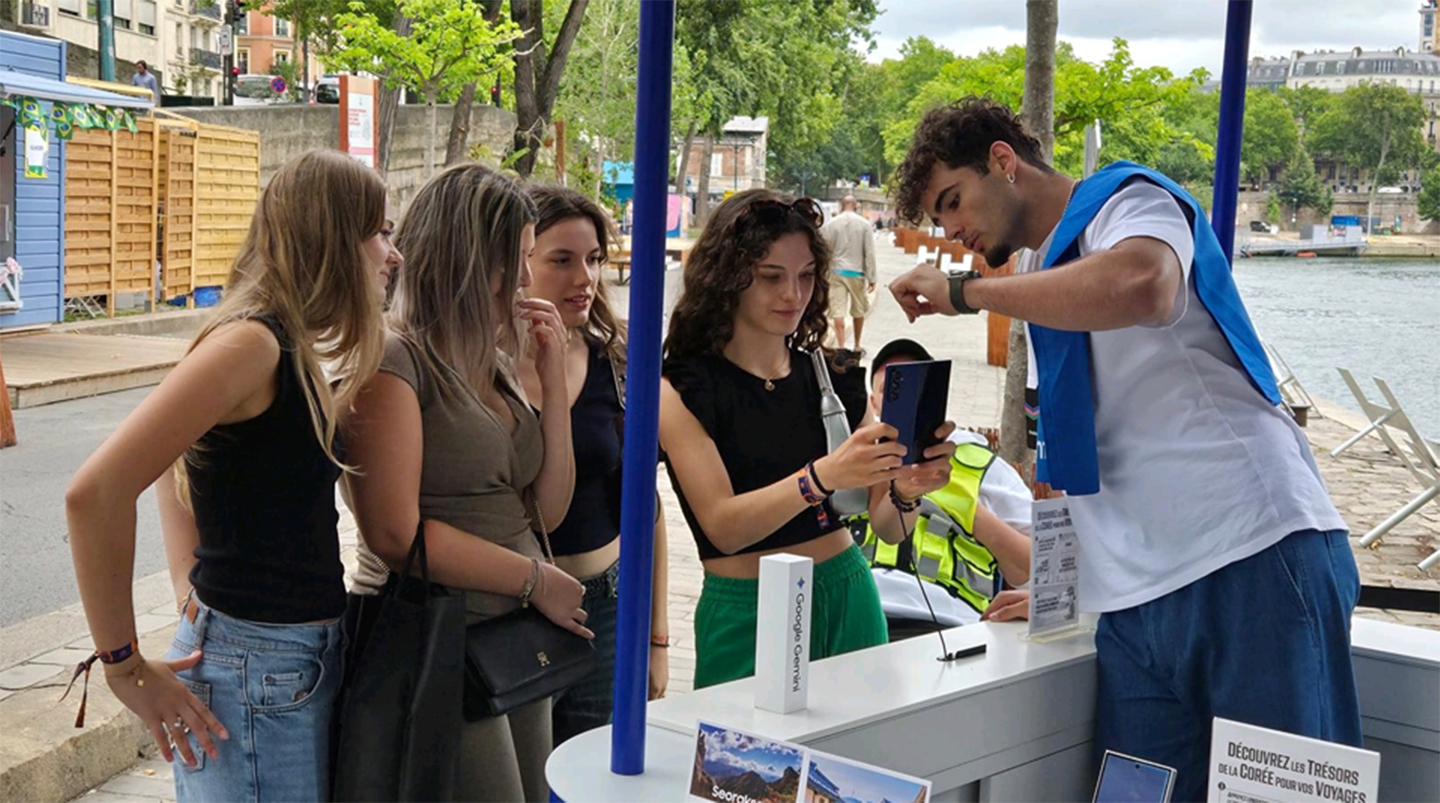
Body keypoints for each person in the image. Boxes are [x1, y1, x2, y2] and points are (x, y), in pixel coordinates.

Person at [889, 97, 1358, 800]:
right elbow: (1082, 445)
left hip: (1249, 553)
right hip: (1131, 598)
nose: (951, 230)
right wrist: (1060, 588)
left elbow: (1145, 284)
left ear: (1002, 161)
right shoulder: (1041, 278)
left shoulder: (1127, 199)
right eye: (938, 219)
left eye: (952, 201)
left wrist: (968, 293)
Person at [65, 150, 400, 802]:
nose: (394, 254)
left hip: (281, 660)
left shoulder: (286, 342)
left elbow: (175, 457)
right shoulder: (254, 344)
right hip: (257, 666)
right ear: (334, 237)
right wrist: (124, 666)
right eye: (382, 232)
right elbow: (95, 492)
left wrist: (187, 583)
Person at [344, 164, 586, 802]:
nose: (529, 279)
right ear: (471, 259)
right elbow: (395, 535)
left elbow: (547, 510)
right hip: (439, 637)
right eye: (519, 258)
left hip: (513, 634)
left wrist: (552, 381)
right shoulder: (396, 360)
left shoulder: (493, 360)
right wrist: (535, 580)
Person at [659, 189, 957, 689]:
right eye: (771, 277)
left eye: (806, 276)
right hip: (747, 607)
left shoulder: (835, 376)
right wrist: (820, 478)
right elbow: (724, 527)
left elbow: (888, 528)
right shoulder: (684, 388)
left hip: (848, 593)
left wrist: (907, 489)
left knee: (862, 735)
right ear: (726, 278)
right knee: (743, 744)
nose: (793, 295)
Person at [518, 185, 671, 746]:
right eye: (561, 260)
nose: (584, 278)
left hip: (605, 605)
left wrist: (656, 637)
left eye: (594, 259)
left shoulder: (619, 357)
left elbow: (645, 503)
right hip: (509, 609)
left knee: (591, 771)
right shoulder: (477, 363)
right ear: (519, 261)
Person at [849, 338, 1032, 641]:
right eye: (893, 390)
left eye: (918, 388)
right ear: (873, 403)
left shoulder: (977, 463)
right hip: (856, 619)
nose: (908, 401)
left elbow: (1041, 570)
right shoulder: (850, 459)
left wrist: (969, 512)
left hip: (950, 626)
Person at [819, 194, 877, 353]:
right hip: (857, 273)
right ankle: (857, 344)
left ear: (841, 205)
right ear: (856, 206)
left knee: (838, 310)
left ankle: (841, 345)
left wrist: (823, 273)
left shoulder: (831, 224)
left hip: (836, 272)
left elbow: (824, 251)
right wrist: (872, 277)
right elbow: (869, 252)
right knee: (859, 310)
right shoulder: (864, 224)